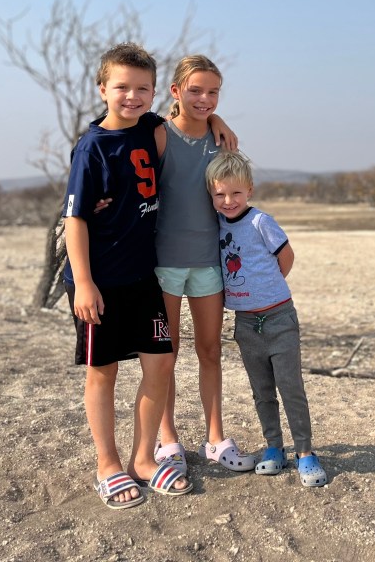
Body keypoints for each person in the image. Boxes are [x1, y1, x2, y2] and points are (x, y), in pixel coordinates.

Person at [62, 41, 191, 509]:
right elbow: (75, 218)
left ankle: (143, 459)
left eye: (142, 88)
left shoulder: (151, 127)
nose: (132, 96)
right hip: (100, 281)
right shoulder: (92, 148)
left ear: (154, 92)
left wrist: (218, 120)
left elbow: (186, 117)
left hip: (143, 277)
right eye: (121, 87)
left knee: (160, 363)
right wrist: (84, 283)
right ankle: (107, 464)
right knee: (104, 372)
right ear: (102, 90)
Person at [153, 55, 256, 474]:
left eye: (213, 93)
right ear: (176, 91)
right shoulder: (158, 135)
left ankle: (215, 439)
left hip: (209, 264)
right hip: (163, 264)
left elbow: (234, 195)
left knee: (210, 350)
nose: (205, 99)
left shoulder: (222, 141)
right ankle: (167, 440)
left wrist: (217, 120)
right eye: (195, 90)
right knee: (165, 354)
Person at [205, 150, 329, 487]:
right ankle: (274, 447)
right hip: (246, 324)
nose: (228, 201)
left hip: (278, 318)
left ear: (250, 190)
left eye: (236, 192)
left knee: (290, 388)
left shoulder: (261, 222)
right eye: (219, 194)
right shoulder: (215, 223)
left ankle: (305, 452)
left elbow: (286, 257)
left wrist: (269, 288)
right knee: (262, 391)